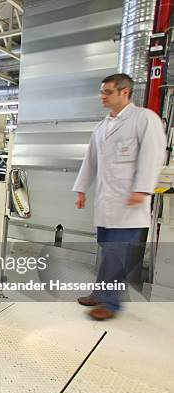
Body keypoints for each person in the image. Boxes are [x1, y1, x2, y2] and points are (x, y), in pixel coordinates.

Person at [73, 73, 167, 321]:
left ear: (125, 92)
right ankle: (101, 293)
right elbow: (90, 160)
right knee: (107, 251)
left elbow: (154, 155)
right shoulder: (102, 126)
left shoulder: (144, 119)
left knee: (116, 253)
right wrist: (81, 189)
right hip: (106, 203)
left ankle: (110, 303)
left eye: (107, 92)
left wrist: (142, 189)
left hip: (129, 205)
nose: (102, 96)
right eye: (102, 92)